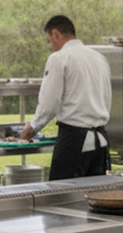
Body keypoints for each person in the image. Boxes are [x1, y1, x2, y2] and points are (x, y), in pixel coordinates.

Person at [19, 15, 112, 180]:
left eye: (49, 41)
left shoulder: (58, 58)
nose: (51, 47)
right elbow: (107, 99)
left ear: (55, 34)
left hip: (74, 141)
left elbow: (49, 103)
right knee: (96, 198)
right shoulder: (99, 58)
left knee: (63, 199)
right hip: (102, 142)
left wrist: (33, 127)